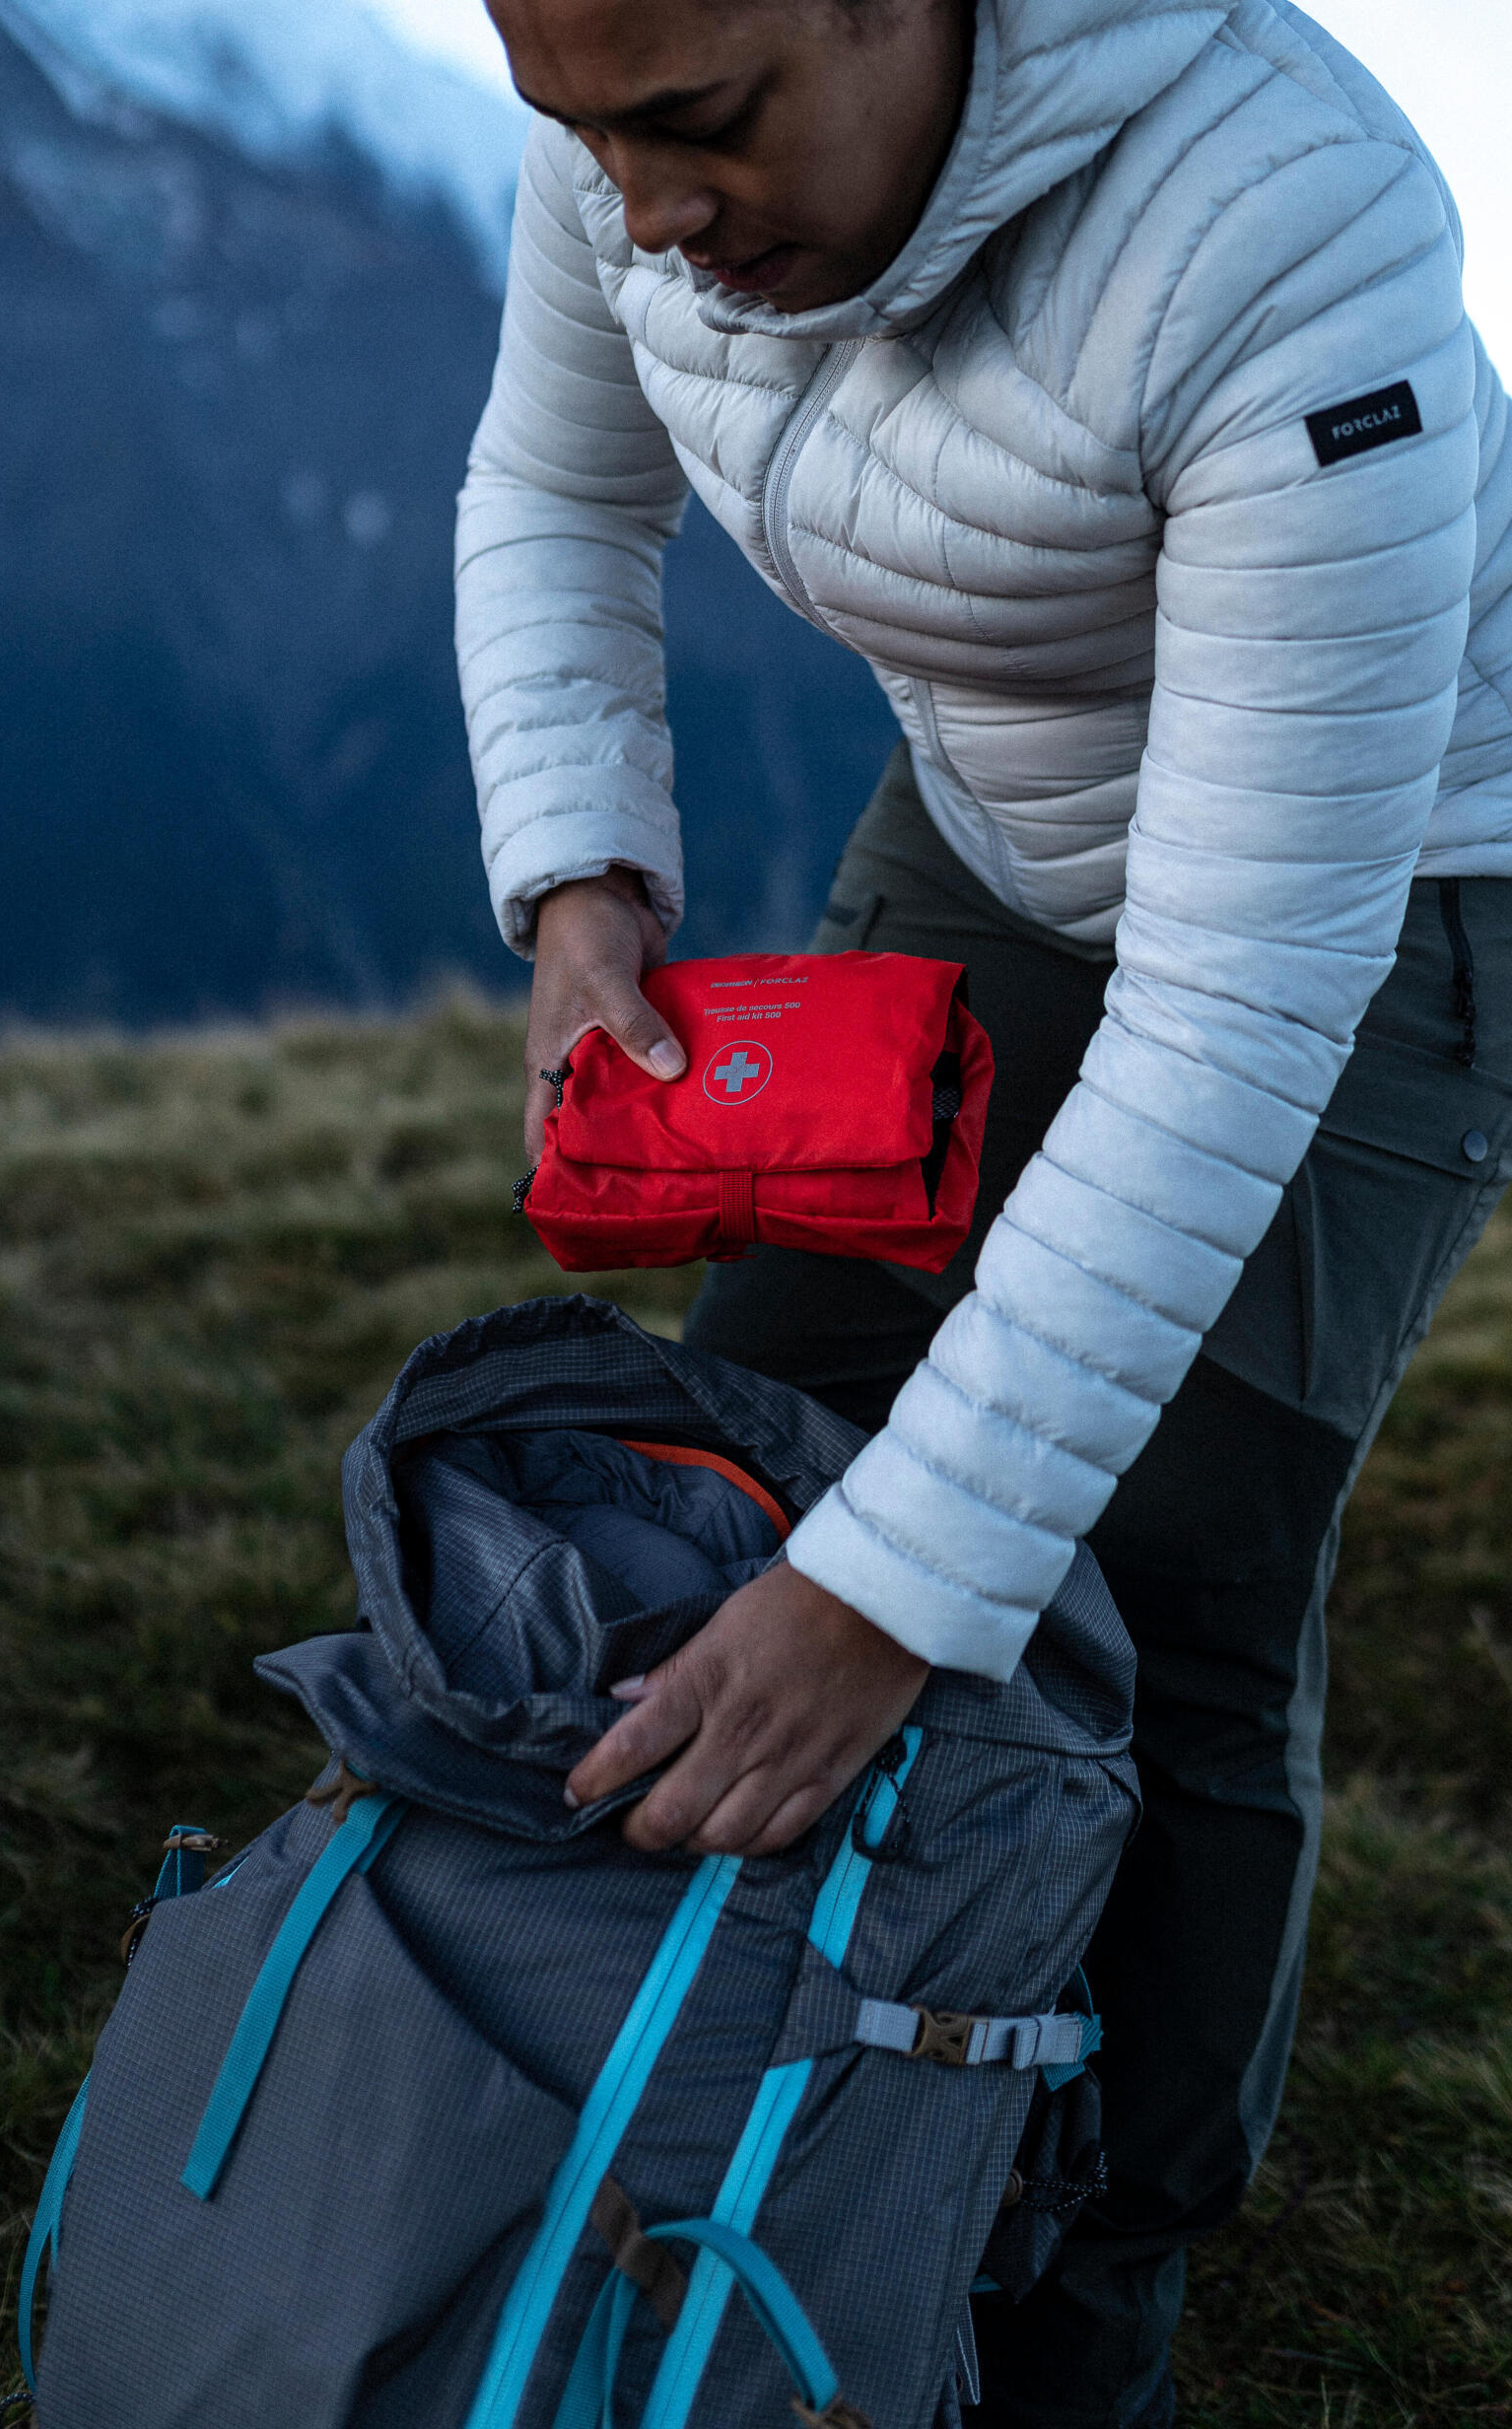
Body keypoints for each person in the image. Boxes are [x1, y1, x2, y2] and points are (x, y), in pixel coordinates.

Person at [453, 2, 1512, 2420]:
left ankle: (1088, 2279)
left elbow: (1243, 1002)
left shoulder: (1289, 241)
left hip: (1398, 876)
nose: (641, 208)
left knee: (1168, 1569)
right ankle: (779, 2090)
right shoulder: (637, 100)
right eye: (582, 133)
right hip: (1005, 815)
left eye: (697, 129)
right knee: (769, 1416)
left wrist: (896, 1593)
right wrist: (581, 865)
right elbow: (552, 487)